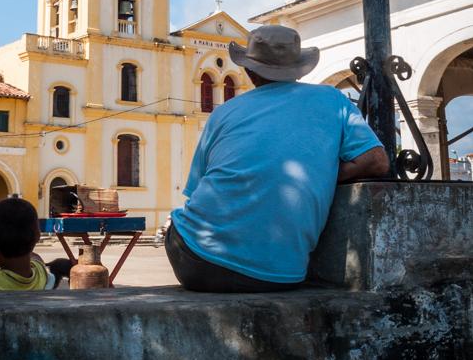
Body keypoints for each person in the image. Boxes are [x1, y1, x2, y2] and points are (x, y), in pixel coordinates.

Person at [166, 25, 389, 293]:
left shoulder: (223, 113)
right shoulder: (332, 100)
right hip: (281, 274)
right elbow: (378, 161)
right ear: (298, 68)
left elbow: (194, 192)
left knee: (178, 223)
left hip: (197, 263)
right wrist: (324, 172)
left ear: (248, 71)